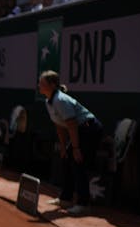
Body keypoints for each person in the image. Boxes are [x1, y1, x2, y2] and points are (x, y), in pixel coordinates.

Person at [37, 71, 103, 216]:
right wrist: (63, 147)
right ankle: (66, 199)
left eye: (42, 83)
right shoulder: (49, 102)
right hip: (79, 130)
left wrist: (76, 148)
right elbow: (60, 126)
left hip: (89, 129)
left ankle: (83, 204)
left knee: (78, 161)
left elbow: (72, 124)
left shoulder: (60, 100)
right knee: (66, 159)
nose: (39, 85)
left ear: (52, 85)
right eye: (39, 82)